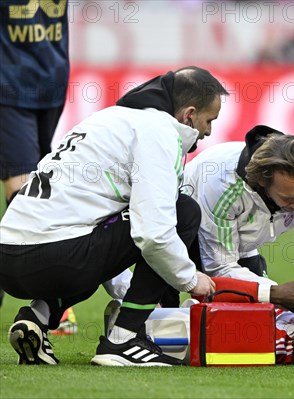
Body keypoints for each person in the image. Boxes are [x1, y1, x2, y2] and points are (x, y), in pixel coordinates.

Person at [0, 67, 228, 367]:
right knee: (183, 211)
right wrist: (188, 277)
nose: (209, 131)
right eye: (209, 120)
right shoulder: (158, 132)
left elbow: (104, 242)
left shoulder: (109, 118)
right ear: (188, 114)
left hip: (10, 261)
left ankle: (37, 316)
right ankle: (123, 339)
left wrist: (131, 292)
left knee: (92, 247)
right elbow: (153, 233)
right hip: (55, 256)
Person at [182, 126, 294, 307]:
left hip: (243, 240)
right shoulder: (221, 185)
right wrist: (274, 293)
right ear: (262, 182)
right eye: (288, 198)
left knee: (261, 311)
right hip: (186, 229)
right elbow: (220, 267)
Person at [0, 0, 70, 310]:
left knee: (42, 193)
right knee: (22, 190)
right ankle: (49, 299)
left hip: (52, 85)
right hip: (9, 87)